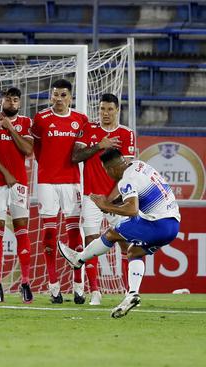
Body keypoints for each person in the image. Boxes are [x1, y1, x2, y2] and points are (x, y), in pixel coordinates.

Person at [58, 148, 180, 318]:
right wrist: (112, 202)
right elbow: (134, 196)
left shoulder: (126, 180)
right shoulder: (139, 165)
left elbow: (132, 209)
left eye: (105, 170)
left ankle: (78, 259)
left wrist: (105, 206)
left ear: (111, 169)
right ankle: (132, 294)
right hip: (173, 225)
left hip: (157, 223)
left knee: (112, 234)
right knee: (133, 251)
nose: (107, 174)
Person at [72, 93, 135, 305]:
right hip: (92, 196)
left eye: (109, 109)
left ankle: (129, 291)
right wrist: (100, 145)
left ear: (117, 110)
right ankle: (95, 292)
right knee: (91, 242)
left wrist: (108, 201)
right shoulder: (89, 129)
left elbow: (128, 172)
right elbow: (75, 157)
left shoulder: (127, 134)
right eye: (102, 109)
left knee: (125, 243)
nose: (105, 114)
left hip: (116, 199)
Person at [30, 79, 88, 304]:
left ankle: (78, 286)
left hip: (72, 182)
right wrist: (45, 165)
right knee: (50, 234)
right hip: (46, 182)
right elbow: (36, 147)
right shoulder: (41, 119)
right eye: (55, 95)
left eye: (63, 95)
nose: (59, 99)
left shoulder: (80, 120)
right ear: (51, 96)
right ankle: (53, 286)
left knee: (75, 234)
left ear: (70, 98)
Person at [0, 87, 34, 303]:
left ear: (20, 103)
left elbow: (27, 150)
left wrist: (10, 128)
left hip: (19, 182)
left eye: (16, 100)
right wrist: (5, 173)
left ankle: (25, 282)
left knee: (21, 229)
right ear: (2, 101)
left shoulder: (25, 123)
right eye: (8, 99)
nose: (12, 103)